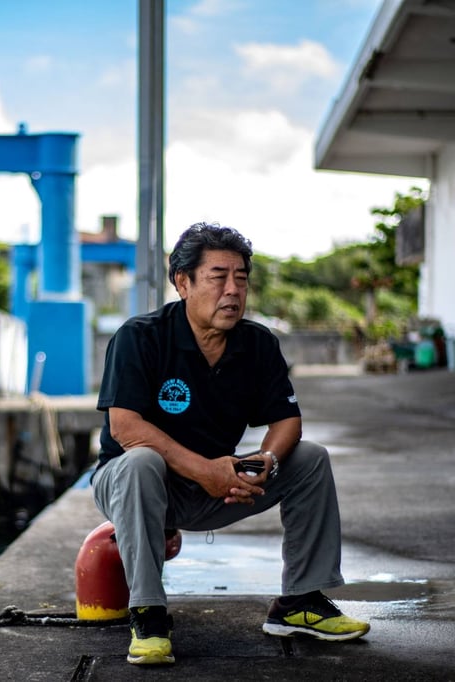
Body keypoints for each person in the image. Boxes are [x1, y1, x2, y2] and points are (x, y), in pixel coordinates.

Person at [91, 222, 369, 666]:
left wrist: (266, 460)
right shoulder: (140, 337)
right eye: (218, 277)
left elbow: (287, 420)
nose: (233, 290)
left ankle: (299, 602)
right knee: (142, 461)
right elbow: (126, 428)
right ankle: (148, 613)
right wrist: (206, 471)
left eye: (241, 278)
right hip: (134, 484)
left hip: (217, 484)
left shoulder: (257, 344)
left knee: (310, 459)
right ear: (183, 282)